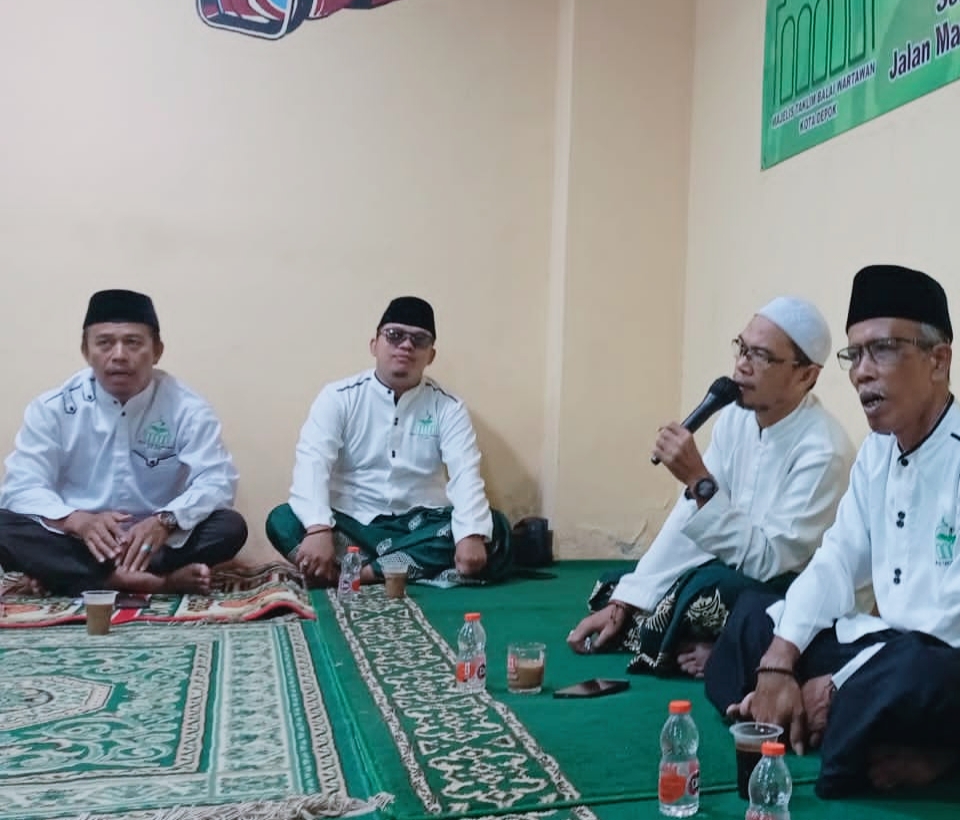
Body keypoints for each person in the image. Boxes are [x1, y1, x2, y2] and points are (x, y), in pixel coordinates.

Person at [706, 265, 960, 798]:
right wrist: (780, 661)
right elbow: (837, 560)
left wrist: (837, 683)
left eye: (883, 350)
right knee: (754, 617)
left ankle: (909, 737)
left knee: (911, 678)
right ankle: (824, 715)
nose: (862, 373)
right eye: (855, 354)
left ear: (939, 360)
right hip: (897, 648)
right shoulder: (878, 453)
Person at [566, 297, 854, 678]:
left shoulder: (824, 451)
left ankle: (732, 646)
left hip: (788, 591)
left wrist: (699, 483)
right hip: (738, 570)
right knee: (619, 584)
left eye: (761, 356)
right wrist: (627, 601)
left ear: (806, 375)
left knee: (711, 590)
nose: (742, 365)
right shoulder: (735, 418)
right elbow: (691, 517)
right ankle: (693, 635)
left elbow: (769, 562)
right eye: (742, 348)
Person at [0, 289, 245, 596]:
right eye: (104, 343)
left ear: (157, 351)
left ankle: (67, 576)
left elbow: (217, 481)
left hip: (155, 542)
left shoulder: (187, 408)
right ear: (86, 351)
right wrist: (76, 521)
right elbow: (21, 488)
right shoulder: (53, 409)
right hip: (77, 542)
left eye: (132, 342)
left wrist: (165, 521)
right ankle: (151, 582)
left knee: (229, 526)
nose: (118, 355)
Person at [265, 297, 514, 587]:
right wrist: (318, 528)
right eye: (395, 335)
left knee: (493, 527)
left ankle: (356, 574)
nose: (406, 345)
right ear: (374, 345)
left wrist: (470, 534)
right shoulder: (338, 397)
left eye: (419, 340)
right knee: (283, 520)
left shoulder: (448, 407)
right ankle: (398, 567)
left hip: (420, 524)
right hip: (352, 523)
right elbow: (312, 463)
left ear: (431, 355)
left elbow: (465, 473)